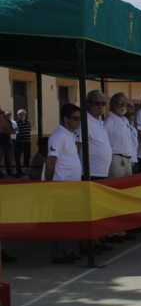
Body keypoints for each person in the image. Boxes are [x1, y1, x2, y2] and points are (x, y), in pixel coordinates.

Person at [45, 103, 83, 264]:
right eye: (75, 118)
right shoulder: (58, 136)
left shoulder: (71, 135)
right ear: (65, 119)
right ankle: (58, 254)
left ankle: (66, 250)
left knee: (68, 220)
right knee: (60, 221)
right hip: (61, 185)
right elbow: (51, 162)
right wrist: (49, 184)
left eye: (79, 118)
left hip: (71, 186)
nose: (78, 122)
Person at [105, 93, 137, 178]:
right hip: (116, 159)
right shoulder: (109, 121)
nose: (123, 105)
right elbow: (105, 142)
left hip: (128, 159)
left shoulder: (125, 120)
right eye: (119, 102)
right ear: (112, 104)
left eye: (125, 103)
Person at [83, 90, 113, 180]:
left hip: (102, 172)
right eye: (97, 103)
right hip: (91, 172)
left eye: (103, 103)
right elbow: (78, 146)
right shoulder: (85, 121)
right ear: (89, 104)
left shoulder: (100, 122)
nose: (100, 106)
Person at [15, 109, 32, 175]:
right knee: (18, 156)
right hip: (20, 142)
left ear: (25, 115)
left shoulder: (28, 122)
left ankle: (26, 170)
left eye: (21, 114)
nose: (19, 116)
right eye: (18, 115)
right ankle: (18, 170)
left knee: (27, 156)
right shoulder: (16, 123)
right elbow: (16, 132)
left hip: (27, 141)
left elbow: (29, 130)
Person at [0, 108, 14, 178]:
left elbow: (9, 128)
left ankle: (14, 171)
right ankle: (1, 172)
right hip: (1, 139)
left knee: (11, 156)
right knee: (1, 157)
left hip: (7, 139)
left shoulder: (4, 116)